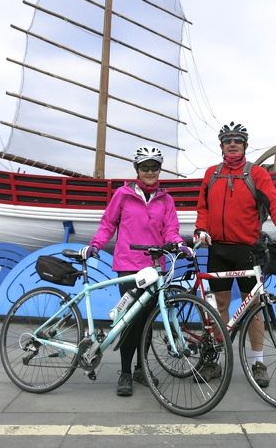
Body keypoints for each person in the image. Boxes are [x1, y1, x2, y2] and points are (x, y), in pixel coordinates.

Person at [193, 122, 276, 387]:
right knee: (219, 306)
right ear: (221, 146)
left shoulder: (257, 174)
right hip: (217, 248)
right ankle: (215, 361)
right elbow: (203, 208)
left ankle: (258, 361)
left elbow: (274, 202)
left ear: (244, 145)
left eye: (238, 140)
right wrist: (201, 229)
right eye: (228, 140)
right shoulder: (211, 174)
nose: (233, 144)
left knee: (253, 307)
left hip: (247, 250)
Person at [80, 146, 192, 397]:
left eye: (154, 167)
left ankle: (142, 369)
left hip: (154, 268)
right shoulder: (123, 194)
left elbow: (170, 231)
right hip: (128, 267)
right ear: (137, 170)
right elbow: (107, 224)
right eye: (145, 167)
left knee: (147, 322)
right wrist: (96, 244)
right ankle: (125, 373)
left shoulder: (167, 200)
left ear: (160, 170)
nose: (150, 172)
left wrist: (180, 244)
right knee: (130, 321)